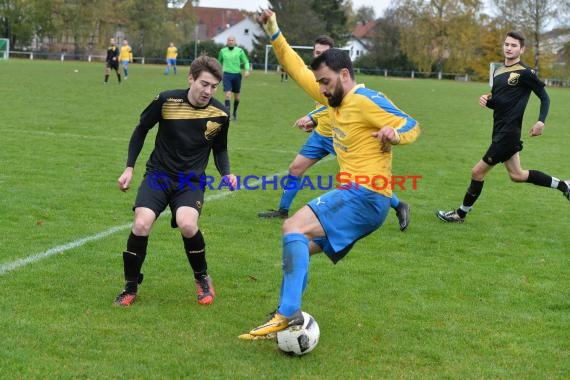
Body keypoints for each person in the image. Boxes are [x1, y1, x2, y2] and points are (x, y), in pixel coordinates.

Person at [238, 10, 420, 340]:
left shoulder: (366, 99)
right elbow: (295, 68)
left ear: (345, 75)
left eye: (326, 82)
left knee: (291, 225)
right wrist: (274, 29)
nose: (321, 89)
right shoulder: (333, 99)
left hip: (365, 195)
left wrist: (395, 134)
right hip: (364, 203)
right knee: (297, 246)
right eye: (320, 83)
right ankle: (286, 310)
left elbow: (411, 123)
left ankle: (287, 313)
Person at [114, 55, 237, 307]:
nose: (208, 91)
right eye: (204, 84)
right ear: (190, 78)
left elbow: (220, 149)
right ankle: (130, 287)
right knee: (141, 223)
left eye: (214, 86)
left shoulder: (220, 114)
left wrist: (227, 173)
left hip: (190, 181)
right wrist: (129, 167)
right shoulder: (166, 100)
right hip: (159, 175)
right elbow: (141, 129)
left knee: (187, 225)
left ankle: (202, 278)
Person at [257, 35, 411, 232]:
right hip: (321, 135)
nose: (319, 56)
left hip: (344, 137)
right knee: (295, 168)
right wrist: (314, 119)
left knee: (362, 182)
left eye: (324, 53)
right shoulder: (320, 79)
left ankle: (399, 205)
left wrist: (311, 116)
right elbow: (326, 106)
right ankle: (283, 210)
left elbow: (341, 106)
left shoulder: (344, 86)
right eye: (316, 53)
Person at [437, 31, 569, 223]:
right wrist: (487, 100)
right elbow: (499, 102)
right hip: (499, 130)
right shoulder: (498, 71)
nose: (509, 48)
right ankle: (564, 186)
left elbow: (545, 97)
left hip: (508, 133)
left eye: (514, 45)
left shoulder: (525, 72)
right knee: (517, 175)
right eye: (506, 44)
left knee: (477, 172)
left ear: (522, 49)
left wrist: (541, 121)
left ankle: (460, 213)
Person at [217, 35, 251, 120]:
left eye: (232, 40)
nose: (230, 41)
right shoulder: (222, 51)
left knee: (237, 97)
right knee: (228, 95)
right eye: (229, 40)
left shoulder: (239, 51)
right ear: (227, 42)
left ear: (235, 42)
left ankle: (234, 113)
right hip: (227, 75)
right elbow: (218, 62)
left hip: (237, 75)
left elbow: (246, 61)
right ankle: (228, 115)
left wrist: (247, 70)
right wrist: (216, 72)